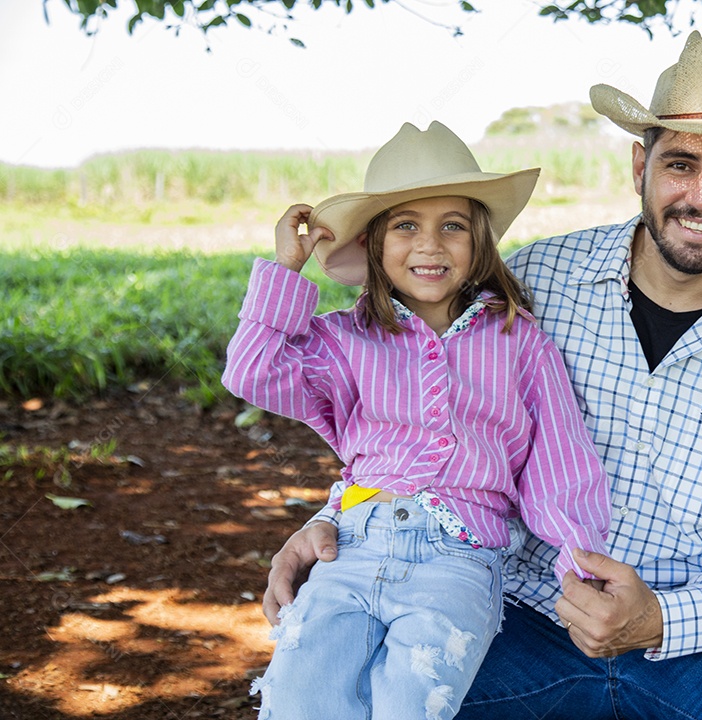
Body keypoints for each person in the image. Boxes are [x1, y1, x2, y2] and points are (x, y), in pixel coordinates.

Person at [262, 29, 702, 719]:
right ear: (639, 163)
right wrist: (338, 518)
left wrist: (666, 619)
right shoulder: (533, 287)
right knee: (362, 691)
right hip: (515, 609)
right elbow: (414, 414)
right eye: (680, 165)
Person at [222, 120, 611, 720]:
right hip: (347, 547)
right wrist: (286, 268)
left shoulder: (518, 340)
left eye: (452, 226)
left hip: (458, 559)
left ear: (479, 242)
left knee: (412, 702)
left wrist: (577, 564)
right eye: (406, 225)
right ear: (374, 243)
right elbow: (252, 374)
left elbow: (558, 464)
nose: (430, 245)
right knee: (301, 695)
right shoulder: (343, 338)